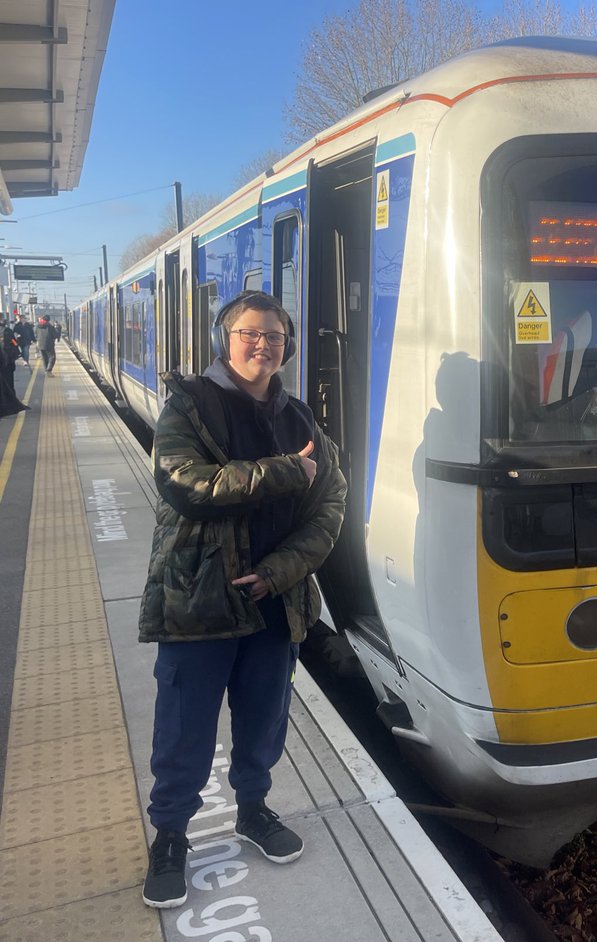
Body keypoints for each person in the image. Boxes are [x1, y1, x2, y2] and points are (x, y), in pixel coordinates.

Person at [138, 290, 346, 908]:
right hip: (199, 599)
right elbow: (186, 486)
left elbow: (328, 507)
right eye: (251, 334)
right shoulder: (188, 407)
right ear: (223, 340)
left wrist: (281, 570)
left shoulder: (301, 418)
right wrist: (285, 471)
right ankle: (171, 835)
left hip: (274, 603)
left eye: (276, 337)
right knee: (185, 725)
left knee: (263, 719)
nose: (264, 345)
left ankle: (253, 809)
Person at [1, 326, 29, 417]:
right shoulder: (7, 330)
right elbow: (14, 344)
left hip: (5, 363)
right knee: (8, 386)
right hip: (7, 364)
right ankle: (11, 405)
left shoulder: (7, 331)